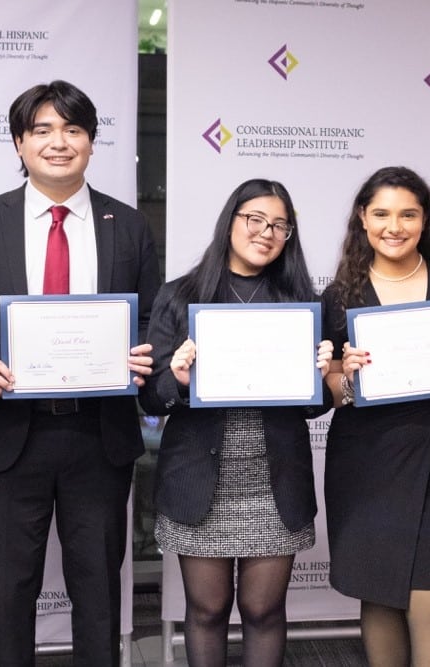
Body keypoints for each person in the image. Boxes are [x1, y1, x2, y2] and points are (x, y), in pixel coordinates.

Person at [0, 80, 161, 665]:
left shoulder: (129, 226)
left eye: (73, 130)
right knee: (9, 596)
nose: (58, 142)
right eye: (42, 130)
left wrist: (143, 354)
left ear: (90, 142)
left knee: (98, 593)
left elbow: (151, 326)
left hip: (99, 437)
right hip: (10, 437)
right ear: (19, 143)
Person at [142, 178, 333, 667]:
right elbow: (150, 398)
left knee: (263, 609)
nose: (266, 233)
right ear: (231, 221)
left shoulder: (300, 303)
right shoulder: (179, 297)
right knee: (206, 610)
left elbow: (314, 407)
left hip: (275, 480)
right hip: (198, 480)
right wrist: (180, 380)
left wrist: (320, 378)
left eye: (279, 226)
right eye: (255, 220)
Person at [321, 166, 430, 667]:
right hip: (365, 464)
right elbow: (330, 392)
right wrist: (343, 375)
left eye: (408, 214)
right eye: (382, 214)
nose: (395, 226)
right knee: (380, 600)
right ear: (363, 219)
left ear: (425, 220)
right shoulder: (338, 295)